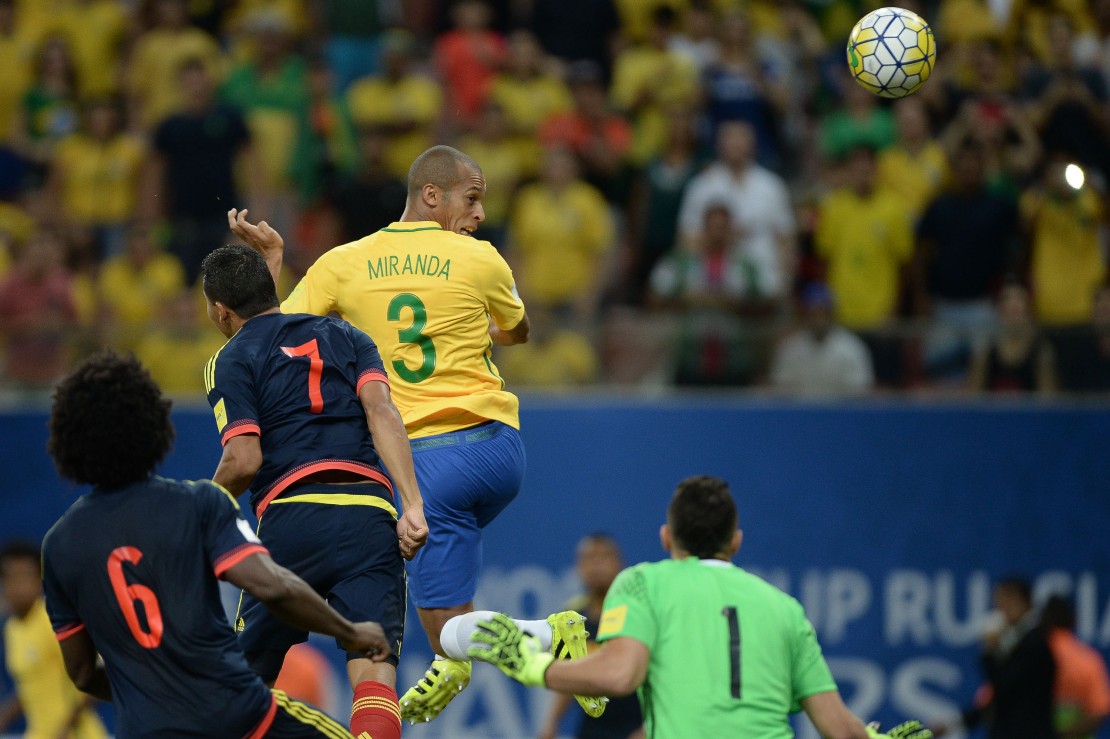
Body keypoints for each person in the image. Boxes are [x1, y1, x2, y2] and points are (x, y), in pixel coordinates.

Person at [227, 144, 603, 724]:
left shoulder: (342, 264)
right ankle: (452, 659)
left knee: (445, 626)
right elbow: (519, 330)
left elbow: (267, 339)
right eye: (471, 199)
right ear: (432, 195)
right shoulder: (483, 260)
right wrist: (469, 324)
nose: (479, 214)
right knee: (443, 606)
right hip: (499, 449)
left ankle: (549, 637)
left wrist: (273, 262)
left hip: (429, 457)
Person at [40, 351, 391, 737]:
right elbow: (274, 587)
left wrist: (148, 691)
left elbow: (82, 673)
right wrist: (350, 631)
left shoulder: (59, 547)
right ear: (151, 423)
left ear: (68, 442)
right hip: (237, 715)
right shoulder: (197, 503)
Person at [463, 475, 932, 739]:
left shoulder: (644, 583)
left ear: (667, 537)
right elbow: (840, 729)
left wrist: (529, 663)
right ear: (736, 541)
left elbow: (619, 675)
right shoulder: (786, 609)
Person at [201, 244, 428, 739]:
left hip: (292, 516)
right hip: (370, 514)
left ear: (221, 311)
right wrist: (412, 504)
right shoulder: (347, 335)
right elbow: (382, 411)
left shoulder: (230, 357)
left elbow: (243, 459)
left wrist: (196, 514)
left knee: (244, 686)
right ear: (271, 289)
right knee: (374, 670)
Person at [538, 534, 642, 739]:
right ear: (579, 567)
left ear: (620, 565)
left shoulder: (637, 613)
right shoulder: (571, 617)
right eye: (589, 558)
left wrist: (647, 728)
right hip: (591, 730)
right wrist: (551, 724)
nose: (596, 565)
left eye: (604, 557)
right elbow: (568, 677)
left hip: (636, 728)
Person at [0, 540, 107, 739]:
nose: (19, 586)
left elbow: (97, 675)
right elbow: (31, 686)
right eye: (12, 578)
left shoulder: (53, 621)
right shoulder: (11, 628)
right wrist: (5, 717)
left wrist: (65, 728)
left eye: (26, 576)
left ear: (39, 580)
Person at [933, 576, 1057, 738]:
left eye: (1004, 601)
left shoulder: (1035, 642)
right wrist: (955, 724)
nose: (999, 608)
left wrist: (989, 652)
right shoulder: (1020, 640)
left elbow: (1003, 687)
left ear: (1021, 601)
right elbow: (1001, 699)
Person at [1041, 595, 1110, 738]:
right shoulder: (1088, 659)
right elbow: (1100, 710)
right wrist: (1068, 735)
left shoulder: (1030, 656)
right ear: (1073, 620)